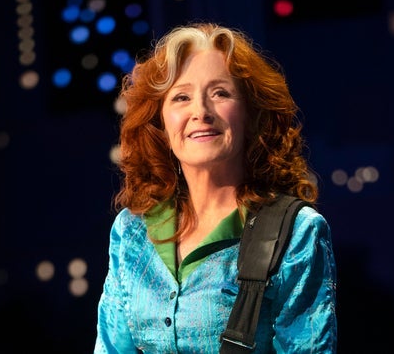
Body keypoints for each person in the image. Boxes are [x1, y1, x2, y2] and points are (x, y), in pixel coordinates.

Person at [93, 22, 337, 353]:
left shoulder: (297, 232)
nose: (201, 112)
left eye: (220, 93)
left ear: (250, 114)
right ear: (160, 121)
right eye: (181, 97)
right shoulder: (131, 230)